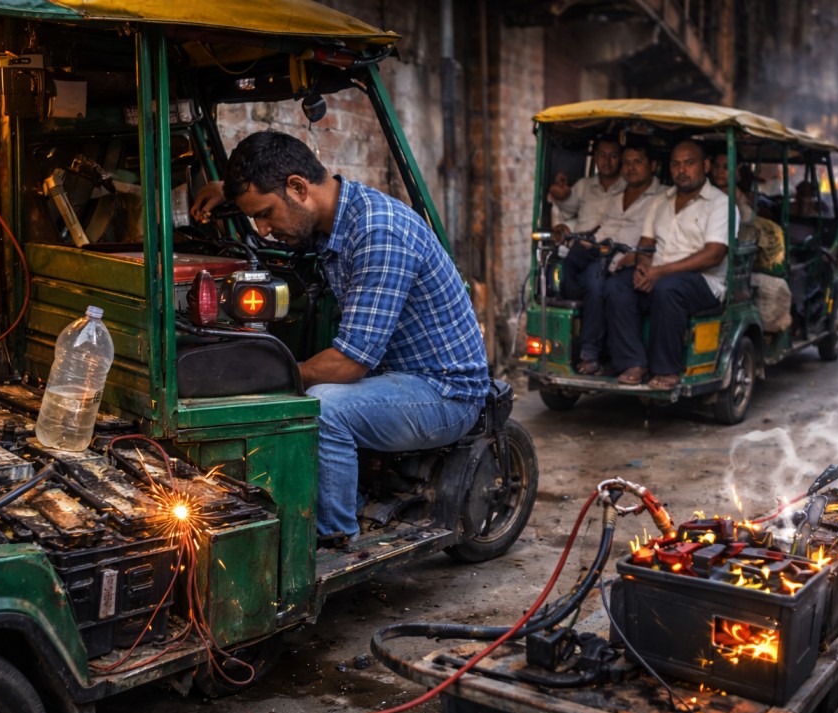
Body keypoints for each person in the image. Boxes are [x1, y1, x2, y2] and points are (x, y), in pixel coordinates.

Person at [190, 131, 489, 542]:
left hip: (443, 391)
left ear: (297, 187)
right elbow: (278, 196)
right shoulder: (326, 213)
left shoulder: (378, 230)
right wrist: (226, 192)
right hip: (395, 377)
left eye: (265, 213)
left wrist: (274, 376)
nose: (263, 229)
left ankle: (332, 539)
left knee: (325, 406)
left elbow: (350, 363)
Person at [603, 140, 729, 390]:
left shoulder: (721, 203)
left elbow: (714, 254)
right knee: (616, 285)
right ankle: (633, 362)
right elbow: (646, 243)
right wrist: (641, 267)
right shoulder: (660, 200)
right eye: (676, 164)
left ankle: (666, 369)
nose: (682, 170)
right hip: (658, 275)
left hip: (702, 282)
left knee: (668, 288)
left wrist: (659, 272)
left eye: (689, 163)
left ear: (704, 166)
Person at [573, 143, 665, 375]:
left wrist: (637, 257)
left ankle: (599, 355)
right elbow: (606, 231)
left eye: (638, 162)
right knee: (573, 270)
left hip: (637, 263)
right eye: (626, 162)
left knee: (607, 287)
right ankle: (590, 353)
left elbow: (661, 239)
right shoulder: (618, 195)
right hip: (608, 259)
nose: (630, 168)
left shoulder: (662, 196)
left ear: (653, 166)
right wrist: (588, 241)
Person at [547, 136, 625, 374]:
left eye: (613, 155)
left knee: (595, 285)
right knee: (557, 281)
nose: (607, 161)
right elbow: (567, 205)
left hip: (606, 254)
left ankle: (590, 354)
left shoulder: (626, 186)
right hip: (579, 250)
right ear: (596, 157)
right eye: (602, 155)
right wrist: (559, 193)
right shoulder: (584, 186)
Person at [709, 152, 756, 223]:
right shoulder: (707, 194)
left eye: (726, 167)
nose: (719, 172)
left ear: (737, 171)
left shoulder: (744, 205)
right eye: (716, 166)